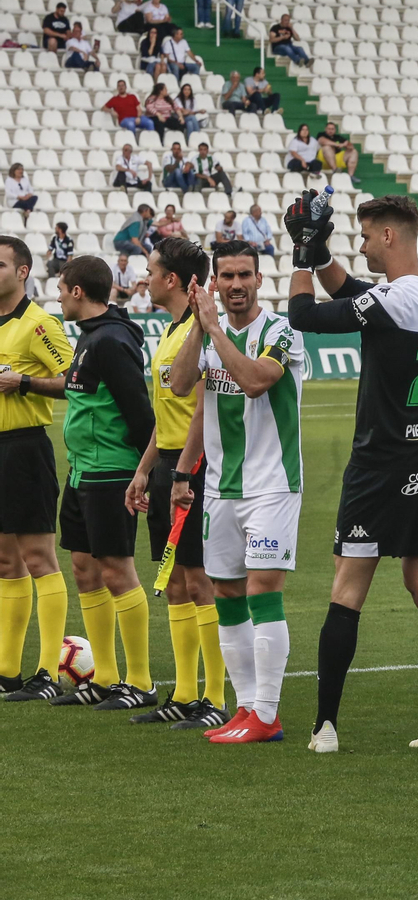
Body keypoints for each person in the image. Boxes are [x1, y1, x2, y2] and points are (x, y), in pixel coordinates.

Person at [282, 192, 418, 752]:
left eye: (364, 236)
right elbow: (353, 293)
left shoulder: (396, 299)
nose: (359, 245)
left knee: (349, 583)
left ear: (389, 235)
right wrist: (318, 250)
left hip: (381, 462)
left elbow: (305, 316)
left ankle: (325, 727)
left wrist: (299, 257)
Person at [165, 241, 303, 743]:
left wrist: (216, 329)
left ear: (260, 280)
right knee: (226, 592)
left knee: (262, 590)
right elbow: (181, 387)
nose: (237, 284)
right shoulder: (206, 334)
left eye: (245, 274)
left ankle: (267, 713)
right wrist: (200, 327)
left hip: (273, 485)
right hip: (221, 488)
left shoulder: (282, 332)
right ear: (213, 284)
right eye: (227, 277)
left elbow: (253, 382)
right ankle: (245, 708)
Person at [117, 238, 225, 725]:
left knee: (201, 580)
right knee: (177, 581)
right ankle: (184, 694)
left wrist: (181, 470)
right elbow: (168, 413)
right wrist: (144, 469)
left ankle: (216, 700)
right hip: (168, 469)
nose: (146, 276)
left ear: (173, 280)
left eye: (151, 269)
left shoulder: (197, 332)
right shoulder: (170, 331)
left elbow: (202, 410)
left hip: (194, 469)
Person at [44, 256, 159, 710]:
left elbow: (141, 414)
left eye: (60, 288)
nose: (56, 296)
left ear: (77, 292)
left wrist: (142, 473)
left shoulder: (111, 341)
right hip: (80, 471)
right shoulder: (92, 337)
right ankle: (105, 678)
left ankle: (142, 681)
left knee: (116, 571)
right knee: (84, 569)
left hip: (111, 472)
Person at [0, 236, 75, 702]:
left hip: (24, 449)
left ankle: (47, 671)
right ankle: (7, 671)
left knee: (38, 559)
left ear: (22, 271)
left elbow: (76, 379)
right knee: (5, 561)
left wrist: (23, 381)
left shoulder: (38, 323)